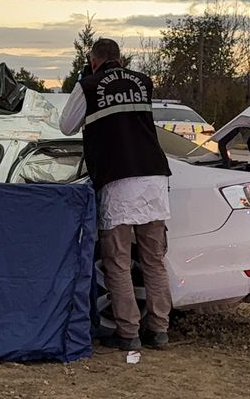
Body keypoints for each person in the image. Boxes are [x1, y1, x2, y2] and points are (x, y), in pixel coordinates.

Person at [59, 38, 173, 351]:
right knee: (154, 260)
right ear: (120, 59)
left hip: (118, 181)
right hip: (154, 180)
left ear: (93, 60)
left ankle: (129, 333)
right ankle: (160, 331)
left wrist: (85, 83)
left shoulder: (89, 85)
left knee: (118, 261)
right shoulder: (143, 82)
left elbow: (66, 126)